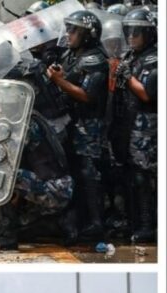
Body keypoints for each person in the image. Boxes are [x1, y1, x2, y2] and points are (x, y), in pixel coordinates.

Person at [47, 11, 109, 241]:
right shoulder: (72, 55)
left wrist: (59, 81)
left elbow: (87, 95)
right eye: (69, 29)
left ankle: (95, 223)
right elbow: (69, 78)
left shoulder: (95, 59)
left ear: (88, 34)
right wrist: (60, 75)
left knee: (88, 172)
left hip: (89, 125)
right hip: (71, 123)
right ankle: (76, 222)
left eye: (75, 30)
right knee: (73, 170)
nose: (69, 34)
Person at [113, 7, 157, 243]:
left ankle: (148, 225)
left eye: (136, 33)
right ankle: (132, 220)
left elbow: (147, 94)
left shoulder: (154, 58)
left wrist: (128, 75)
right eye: (128, 32)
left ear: (149, 34)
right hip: (127, 122)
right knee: (128, 174)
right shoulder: (131, 56)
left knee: (143, 176)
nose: (131, 37)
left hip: (145, 124)